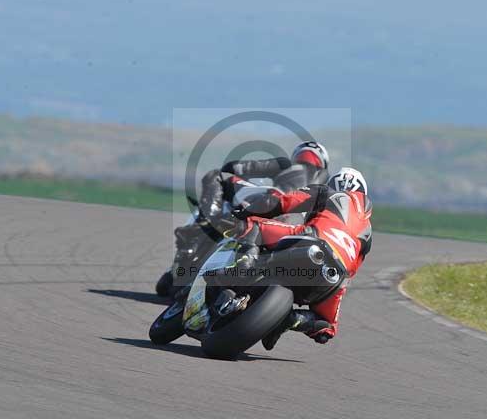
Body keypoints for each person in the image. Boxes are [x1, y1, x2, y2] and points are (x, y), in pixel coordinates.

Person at [155, 141, 330, 296]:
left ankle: (204, 223)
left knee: (216, 175)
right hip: (294, 228)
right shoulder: (326, 190)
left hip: (265, 203)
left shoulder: (285, 164)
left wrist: (234, 168)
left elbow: (235, 168)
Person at [231, 167, 372, 350]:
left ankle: (241, 270)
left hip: (311, 240)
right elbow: (352, 270)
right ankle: (291, 320)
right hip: (335, 275)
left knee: (253, 227)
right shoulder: (368, 232)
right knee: (326, 327)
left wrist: (248, 210)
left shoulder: (326, 192)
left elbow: (284, 202)